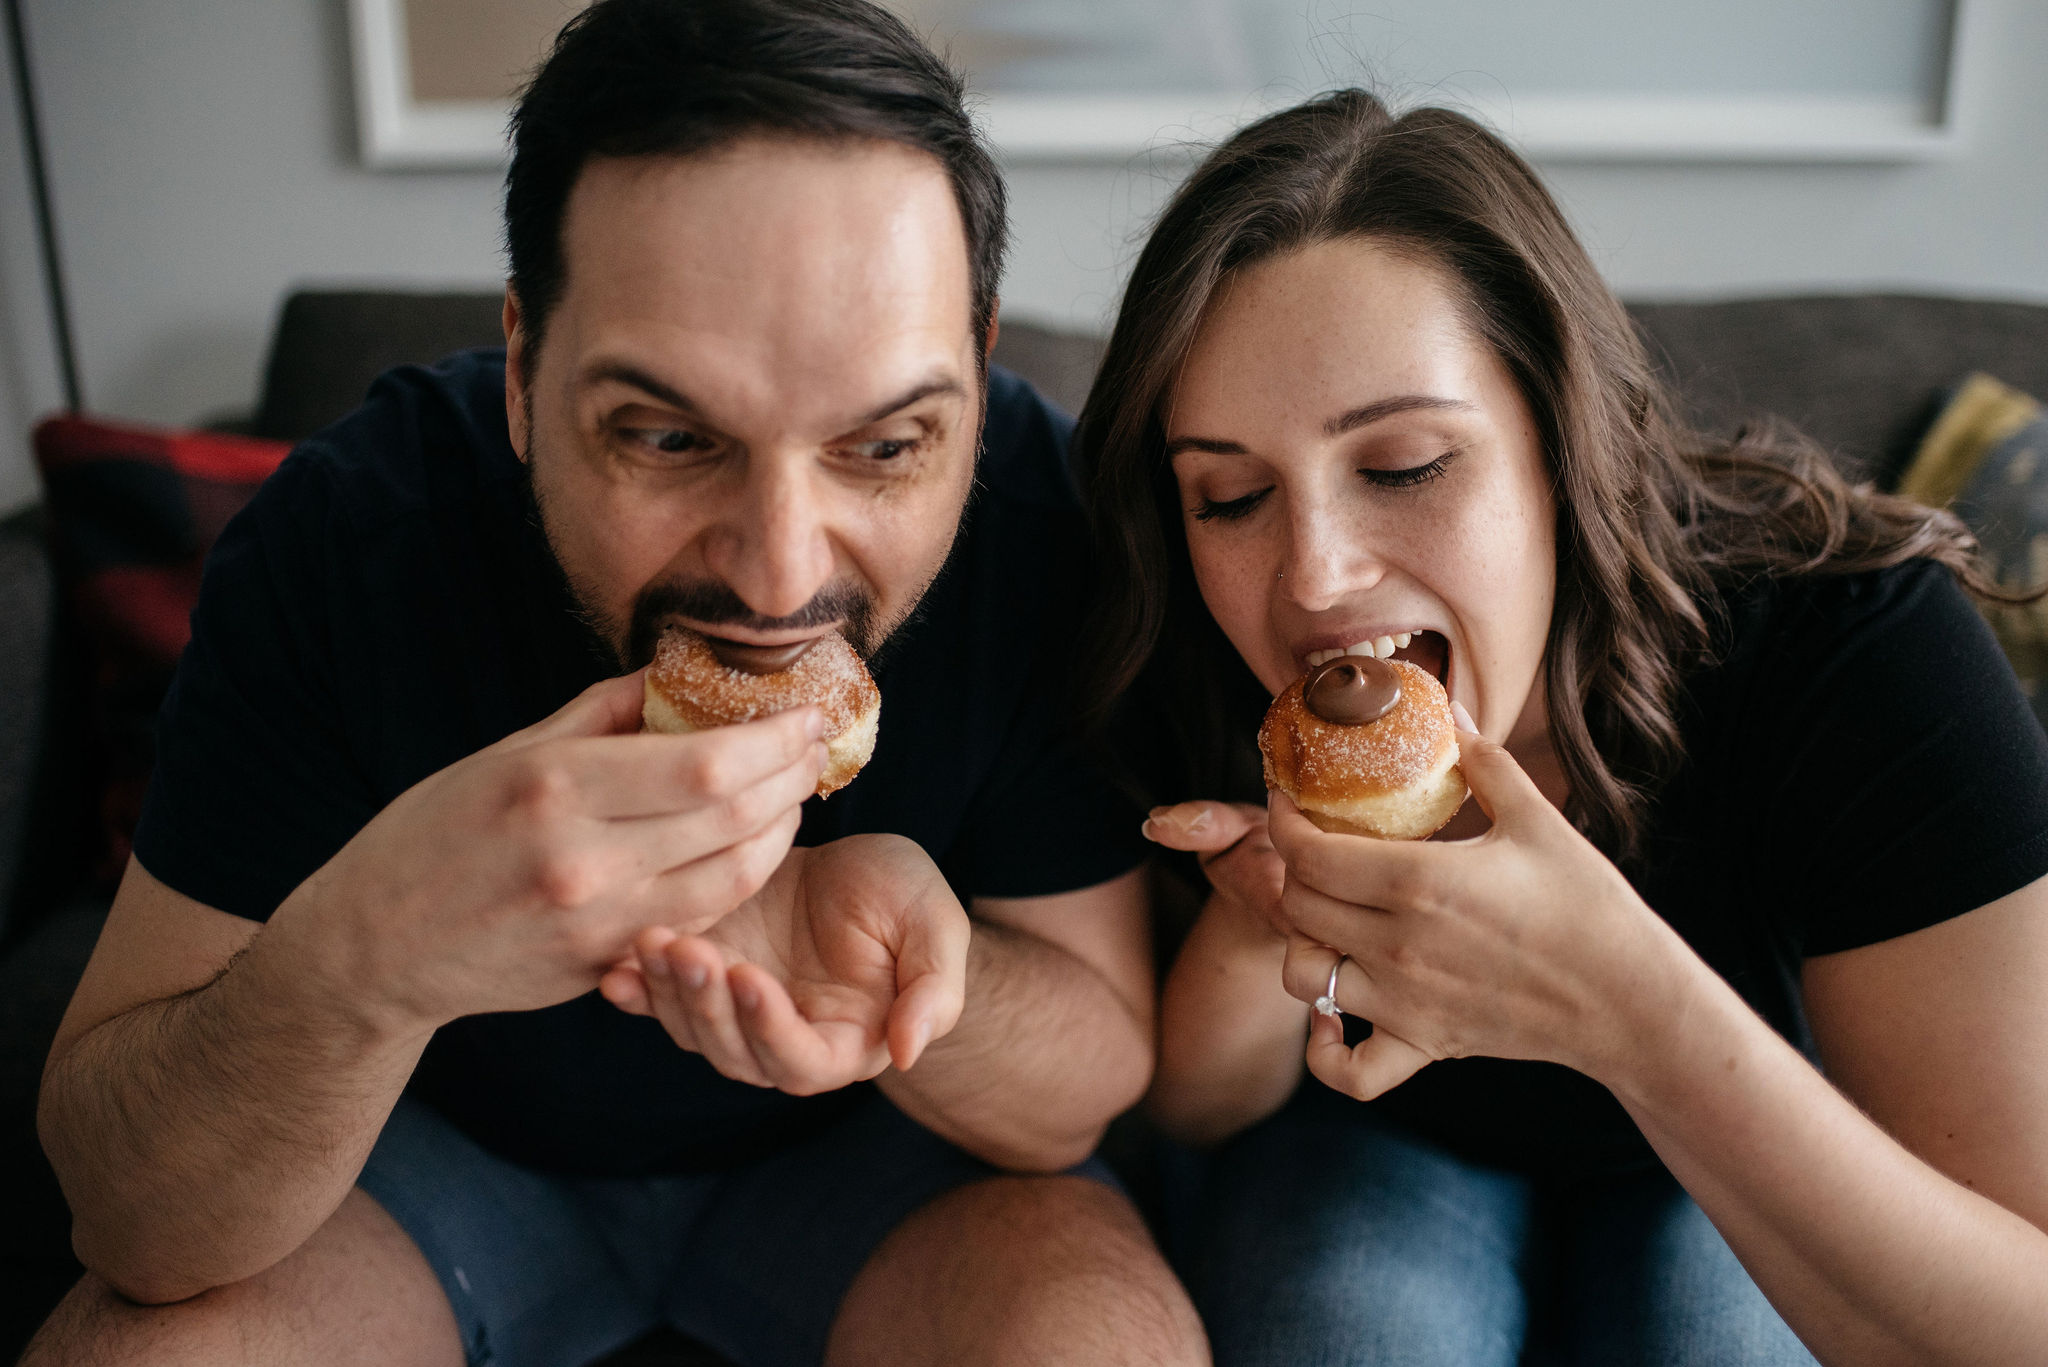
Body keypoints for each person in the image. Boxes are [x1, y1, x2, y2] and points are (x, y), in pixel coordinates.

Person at [22, 3, 1210, 1365]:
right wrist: (365, 956)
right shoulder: (350, 537)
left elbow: (1083, 1083)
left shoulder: (1040, 524)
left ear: (980, 370)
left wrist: (905, 985)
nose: (777, 576)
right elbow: (128, 1217)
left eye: (883, 447)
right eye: (665, 435)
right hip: (420, 1158)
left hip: (877, 1169)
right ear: (525, 371)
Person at [1077, 88, 2048, 1365]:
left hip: (1757, 1125)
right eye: (1232, 492)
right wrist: (1267, 910)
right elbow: (1191, 1111)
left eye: (1403, 463)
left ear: (1561, 439)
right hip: (1377, 1137)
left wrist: (1627, 1007)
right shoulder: (1184, 638)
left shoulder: (1857, 651)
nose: (1309, 575)